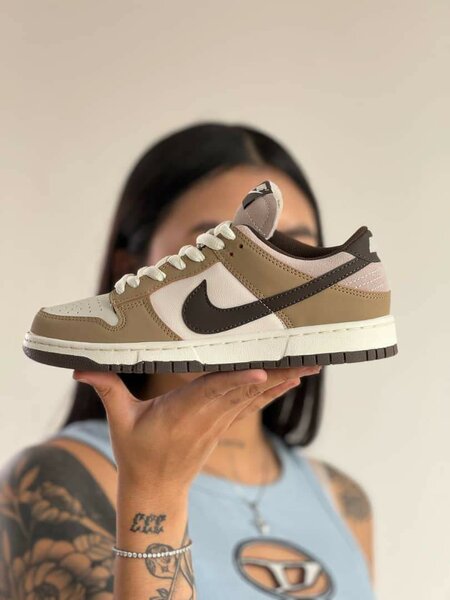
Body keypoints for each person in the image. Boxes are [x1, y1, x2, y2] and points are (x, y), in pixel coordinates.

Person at [0, 123, 373, 599]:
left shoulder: (342, 500)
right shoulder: (55, 481)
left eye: (288, 251)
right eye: (216, 246)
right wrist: (155, 491)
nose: (259, 279)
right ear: (134, 268)